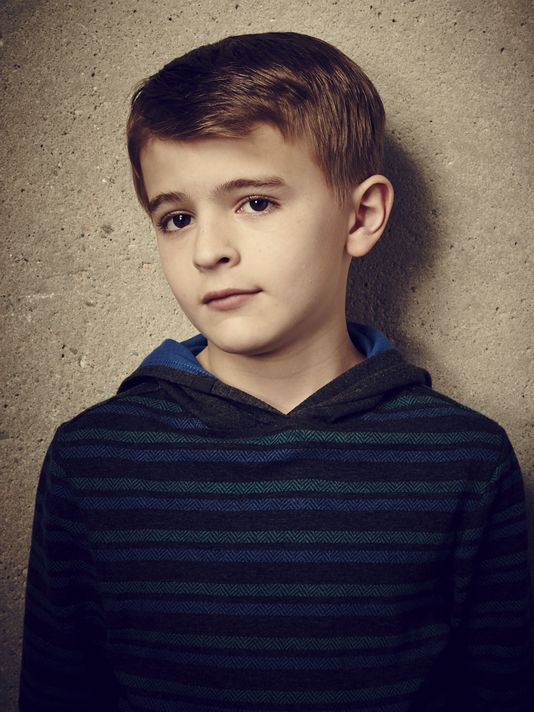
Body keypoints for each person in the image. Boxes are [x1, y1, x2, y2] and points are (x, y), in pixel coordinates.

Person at [19, 31, 533, 712]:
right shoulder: (93, 460)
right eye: (176, 217)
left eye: (255, 202)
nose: (207, 250)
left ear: (362, 216)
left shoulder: (465, 460)